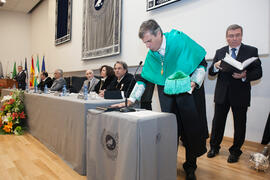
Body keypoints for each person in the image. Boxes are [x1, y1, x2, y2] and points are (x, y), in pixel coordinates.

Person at [112, 19, 208, 180]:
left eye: (149, 41)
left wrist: (194, 82)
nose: (147, 46)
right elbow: (143, 79)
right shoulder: (152, 55)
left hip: (188, 92)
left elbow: (201, 63)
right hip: (168, 95)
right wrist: (131, 99)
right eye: (145, 43)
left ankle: (190, 166)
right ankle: (169, 163)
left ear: (159, 34)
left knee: (190, 129)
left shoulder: (179, 40)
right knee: (170, 130)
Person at [207, 24, 262, 163]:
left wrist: (244, 75)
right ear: (227, 37)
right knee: (217, 123)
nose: (234, 38)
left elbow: (258, 72)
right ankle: (214, 147)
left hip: (240, 94)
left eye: (237, 35)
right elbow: (211, 73)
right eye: (231, 36)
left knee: (240, 124)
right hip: (222, 93)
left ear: (241, 36)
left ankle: (235, 151)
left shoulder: (251, 50)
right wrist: (215, 66)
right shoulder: (220, 51)